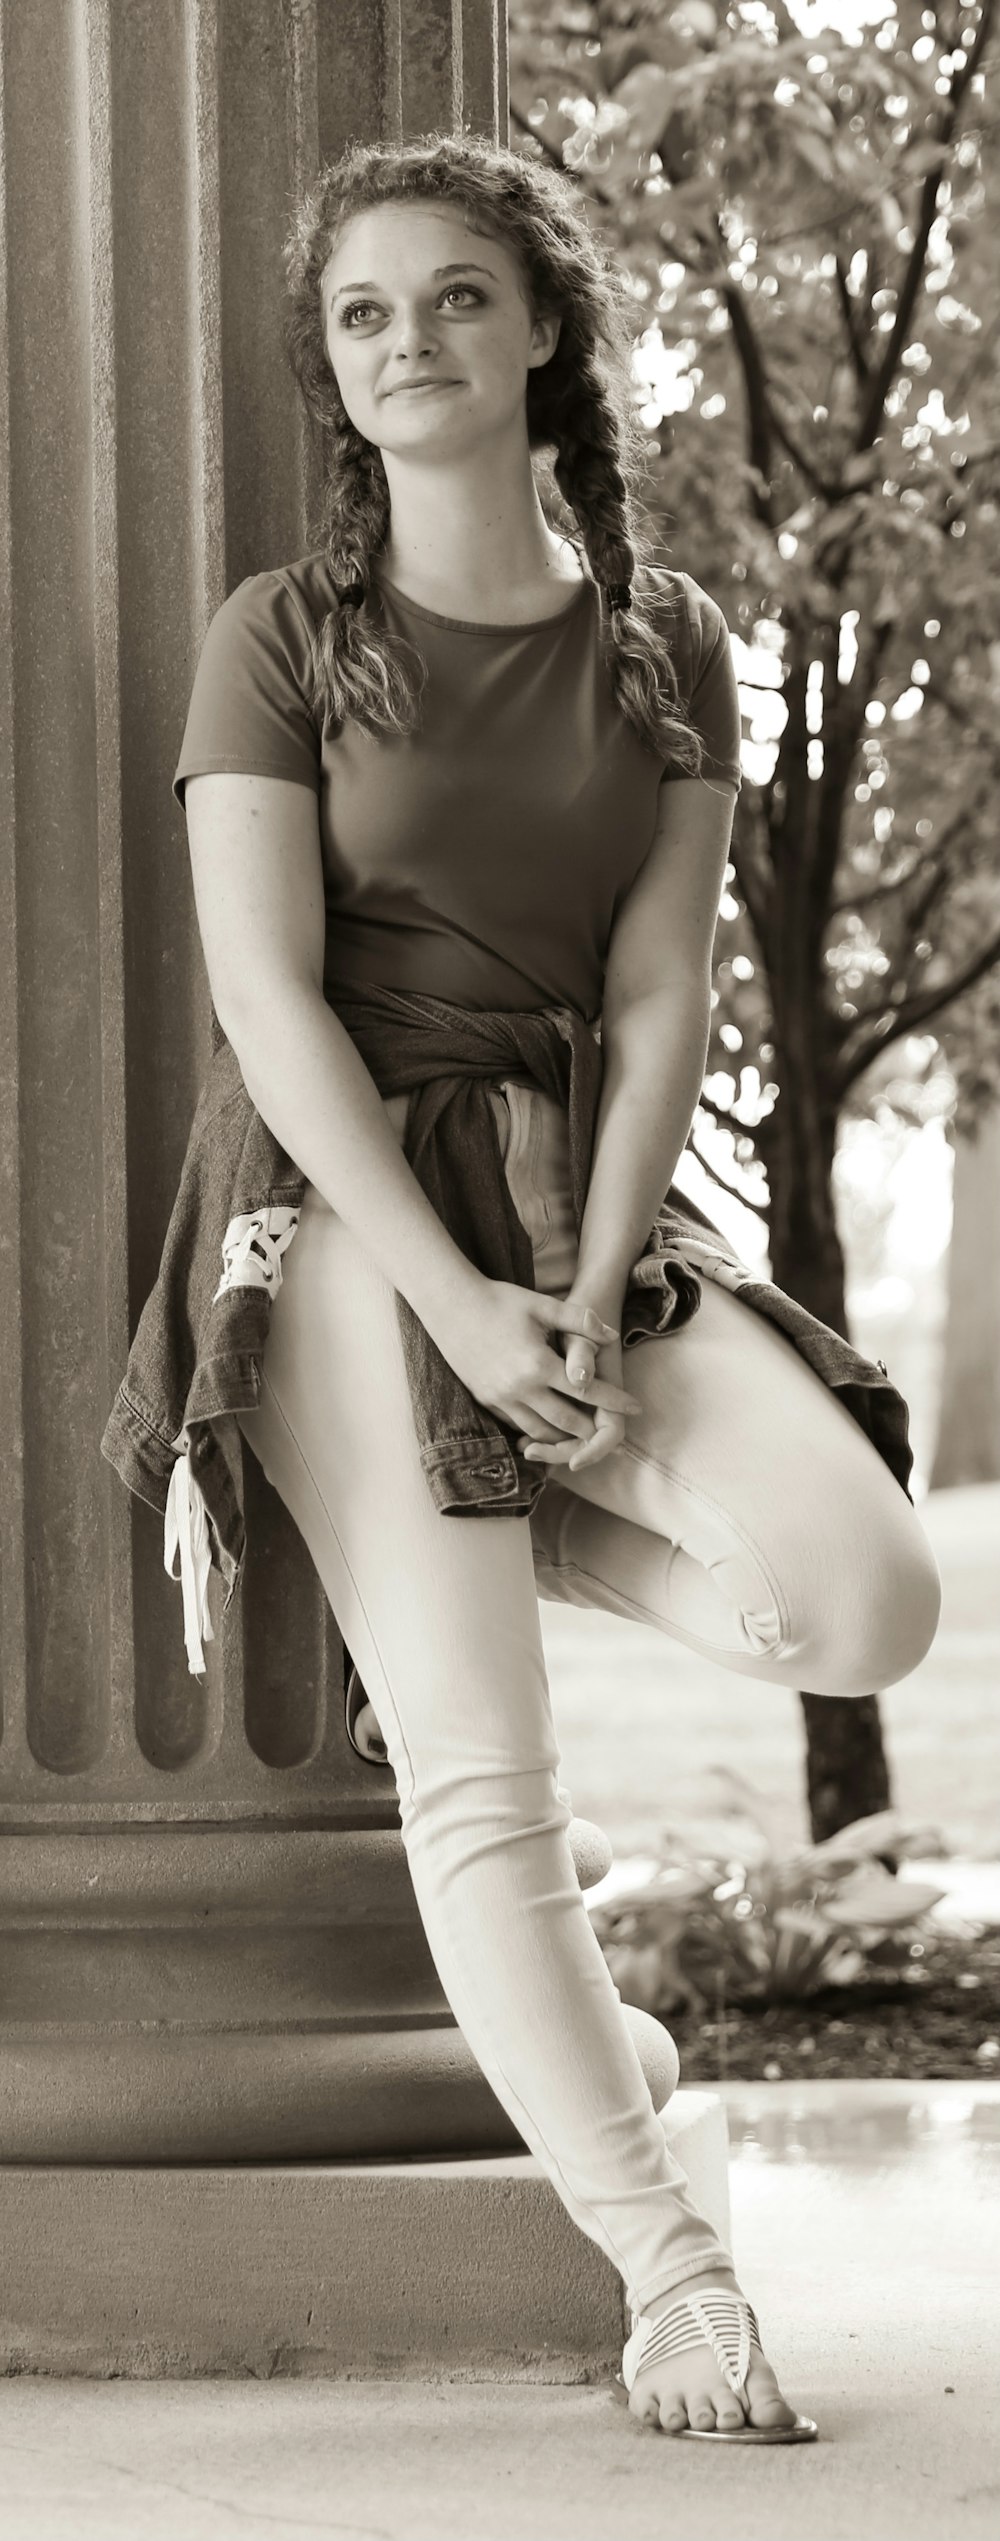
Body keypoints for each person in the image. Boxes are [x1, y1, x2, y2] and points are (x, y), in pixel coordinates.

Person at [170, 133, 942, 2442]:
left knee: (862, 1595)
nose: (410, 341)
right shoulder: (278, 634)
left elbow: (655, 1001)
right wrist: (452, 1300)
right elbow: (271, 1010)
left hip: (577, 1191)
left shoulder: (665, 639)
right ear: (333, 372)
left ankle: (459, 1566)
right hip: (332, 1211)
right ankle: (668, 2267)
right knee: (488, 1789)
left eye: (456, 299)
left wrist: (590, 1290)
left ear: (541, 334)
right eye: (362, 315)